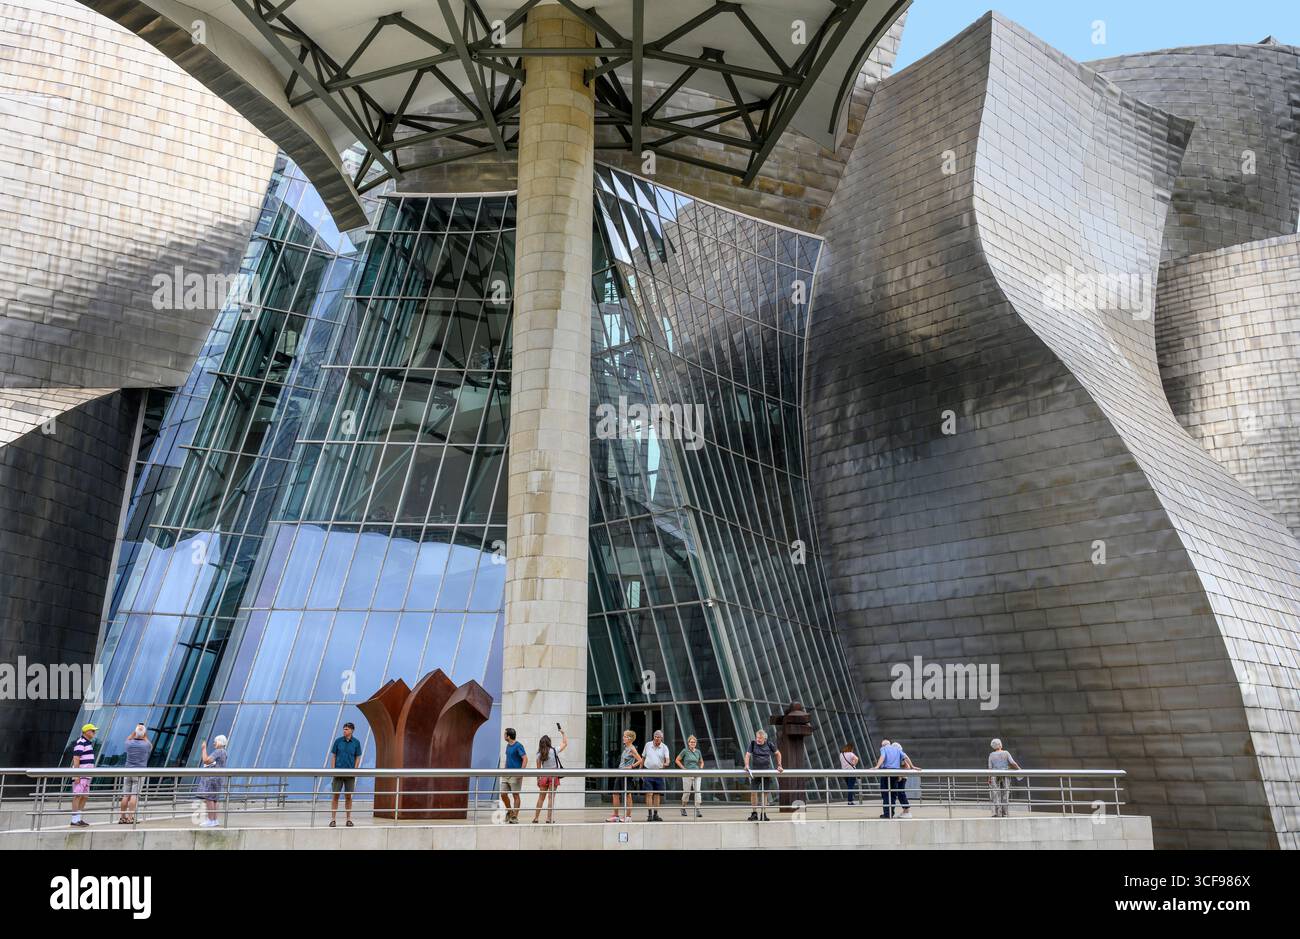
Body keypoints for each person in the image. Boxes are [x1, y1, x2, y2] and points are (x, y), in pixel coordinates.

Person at [742, 729, 782, 821]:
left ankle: (763, 814)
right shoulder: (752, 744)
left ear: (765, 738)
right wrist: (747, 765)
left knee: (765, 794)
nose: (758, 740)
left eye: (760, 738)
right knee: (753, 793)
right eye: (757, 737)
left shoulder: (769, 744)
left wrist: (779, 765)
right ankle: (754, 813)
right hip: (755, 772)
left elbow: (778, 754)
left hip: (766, 772)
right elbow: (747, 755)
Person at [874, 738, 918, 819]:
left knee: (886, 793)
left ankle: (887, 814)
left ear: (884, 745)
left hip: (886, 772)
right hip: (895, 772)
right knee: (893, 794)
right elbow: (905, 757)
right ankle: (891, 813)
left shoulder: (884, 748)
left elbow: (882, 756)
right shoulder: (896, 749)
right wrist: (912, 766)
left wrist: (877, 766)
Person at [329, 722, 362, 828]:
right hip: (338, 773)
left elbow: (357, 757)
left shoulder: (356, 743)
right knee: (335, 796)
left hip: (350, 774)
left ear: (352, 730)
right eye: (344, 729)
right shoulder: (338, 741)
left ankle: (348, 819)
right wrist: (333, 770)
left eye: (346, 729)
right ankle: (333, 819)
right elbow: (333, 756)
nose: (344, 731)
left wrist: (355, 770)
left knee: (348, 797)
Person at [531, 728, 568, 824]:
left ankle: (536, 818)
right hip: (554, 776)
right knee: (551, 798)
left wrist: (538, 780)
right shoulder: (554, 750)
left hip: (543, 776)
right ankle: (548, 818)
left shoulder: (539, 754)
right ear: (549, 742)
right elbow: (565, 743)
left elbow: (538, 769)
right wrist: (563, 733)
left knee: (541, 798)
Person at [119, 723, 151, 824]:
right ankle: (130, 818)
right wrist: (143, 733)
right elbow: (150, 744)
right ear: (144, 733)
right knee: (134, 795)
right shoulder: (146, 745)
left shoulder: (128, 743)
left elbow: (129, 738)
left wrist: (135, 731)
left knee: (125, 795)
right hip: (139, 772)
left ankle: (122, 817)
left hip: (128, 771)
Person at [608, 729, 641, 823]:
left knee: (628, 795)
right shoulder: (626, 747)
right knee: (615, 793)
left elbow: (640, 760)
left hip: (627, 775)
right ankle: (616, 815)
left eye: (625, 736)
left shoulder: (632, 748)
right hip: (620, 773)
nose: (623, 738)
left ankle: (628, 816)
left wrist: (631, 766)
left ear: (630, 738)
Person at [197, 735, 228, 828]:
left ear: (220, 742)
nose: (214, 743)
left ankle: (210, 820)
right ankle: (214, 820)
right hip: (219, 778)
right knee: (215, 799)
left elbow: (206, 760)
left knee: (209, 798)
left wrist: (203, 749)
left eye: (215, 741)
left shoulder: (218, 751)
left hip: (212, 778)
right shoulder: (224, 752)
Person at [70, 723, 96, 827]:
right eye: (92, 731)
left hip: (86, 774)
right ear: (86, 732)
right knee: (77, 796)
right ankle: (74, 819)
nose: (94, 733)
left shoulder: (87, 743)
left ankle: (78, 818)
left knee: (84, 796)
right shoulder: (81, 742)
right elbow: (76, 758)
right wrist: (76, 774)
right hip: (81, 774)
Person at [641, 729, 670, 821]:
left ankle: (656, 814)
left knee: (657, 794)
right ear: (653, 737)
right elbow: (643, 757)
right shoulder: (648, 745)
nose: (657, 739)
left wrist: (666, 763)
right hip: (648, 771)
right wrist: (640, 770)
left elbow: (667, 759)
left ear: (662, 738)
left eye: (659, 737)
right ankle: (649, 814)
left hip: (659, 772)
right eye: (655, 737)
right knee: (649, 794)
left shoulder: (664, 747)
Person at [988, 738, 1021, 818]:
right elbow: (1013, 763)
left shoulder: (991, 755)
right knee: (1005, 793)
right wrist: (1019, 770)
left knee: (996, 794)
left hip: (994, 775)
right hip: (1005, 774)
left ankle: (998, 813)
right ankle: (1005, 812)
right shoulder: (1006, 753)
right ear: (1000, 744)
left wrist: (989, 778)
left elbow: (990, 768)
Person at [501, 727, 528, 824]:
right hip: (506, 774)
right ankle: (510, 812)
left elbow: (525, 758)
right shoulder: (508, 746)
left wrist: (521, 772)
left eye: (505, 734)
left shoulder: (518, 746)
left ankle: (515, 817)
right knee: (503, 794)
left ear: (508, 736)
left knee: (515, 795)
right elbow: (508, 759)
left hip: (515, 774)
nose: (504, 736)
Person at [675, 735, 705, 818]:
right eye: (691, 742)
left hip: (697, 774)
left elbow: (701, 762)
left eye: (694, 742)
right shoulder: (685, 751)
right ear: (688, 743)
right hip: (687, 774)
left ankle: (698, 809)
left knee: (697, 792)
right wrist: (683, 768)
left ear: (696, 743)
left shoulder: (698, 752)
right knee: (687, 792)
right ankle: (683, 808)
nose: (693, 743)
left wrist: (701, 768)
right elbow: (677, 760)